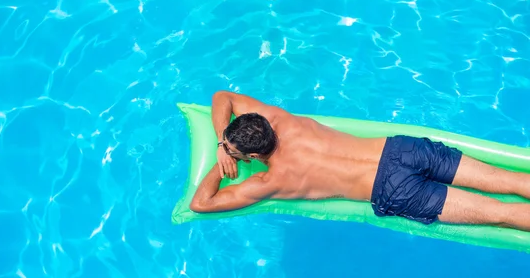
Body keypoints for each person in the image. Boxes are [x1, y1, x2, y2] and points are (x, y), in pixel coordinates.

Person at [189, 91, 530, 231]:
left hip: (392, 188)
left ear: (251, 157)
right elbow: (224, 95)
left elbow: (201, 204)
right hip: (401, 150)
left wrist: (221, 155)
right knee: (512, 180)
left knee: (500, 213)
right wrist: (227, 140)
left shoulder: (270, 181)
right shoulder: (282, 120)